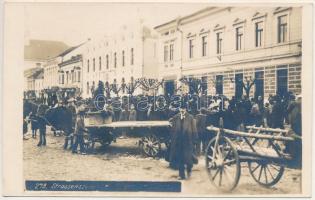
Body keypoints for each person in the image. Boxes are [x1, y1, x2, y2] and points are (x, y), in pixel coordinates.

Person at [169, 104, 197, 180]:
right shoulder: (176, 117)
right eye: (181, 109)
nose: (182, 110)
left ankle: (189, 170)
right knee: (180, 158)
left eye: (183, 109)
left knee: (188, 159)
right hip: (179, 141)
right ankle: (181, 175)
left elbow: (194, 130)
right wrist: (172, 139)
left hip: (188, 141)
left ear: (186, 109)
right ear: (179, 109)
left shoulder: (190, 117)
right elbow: (173, 130)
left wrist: (194, 140)